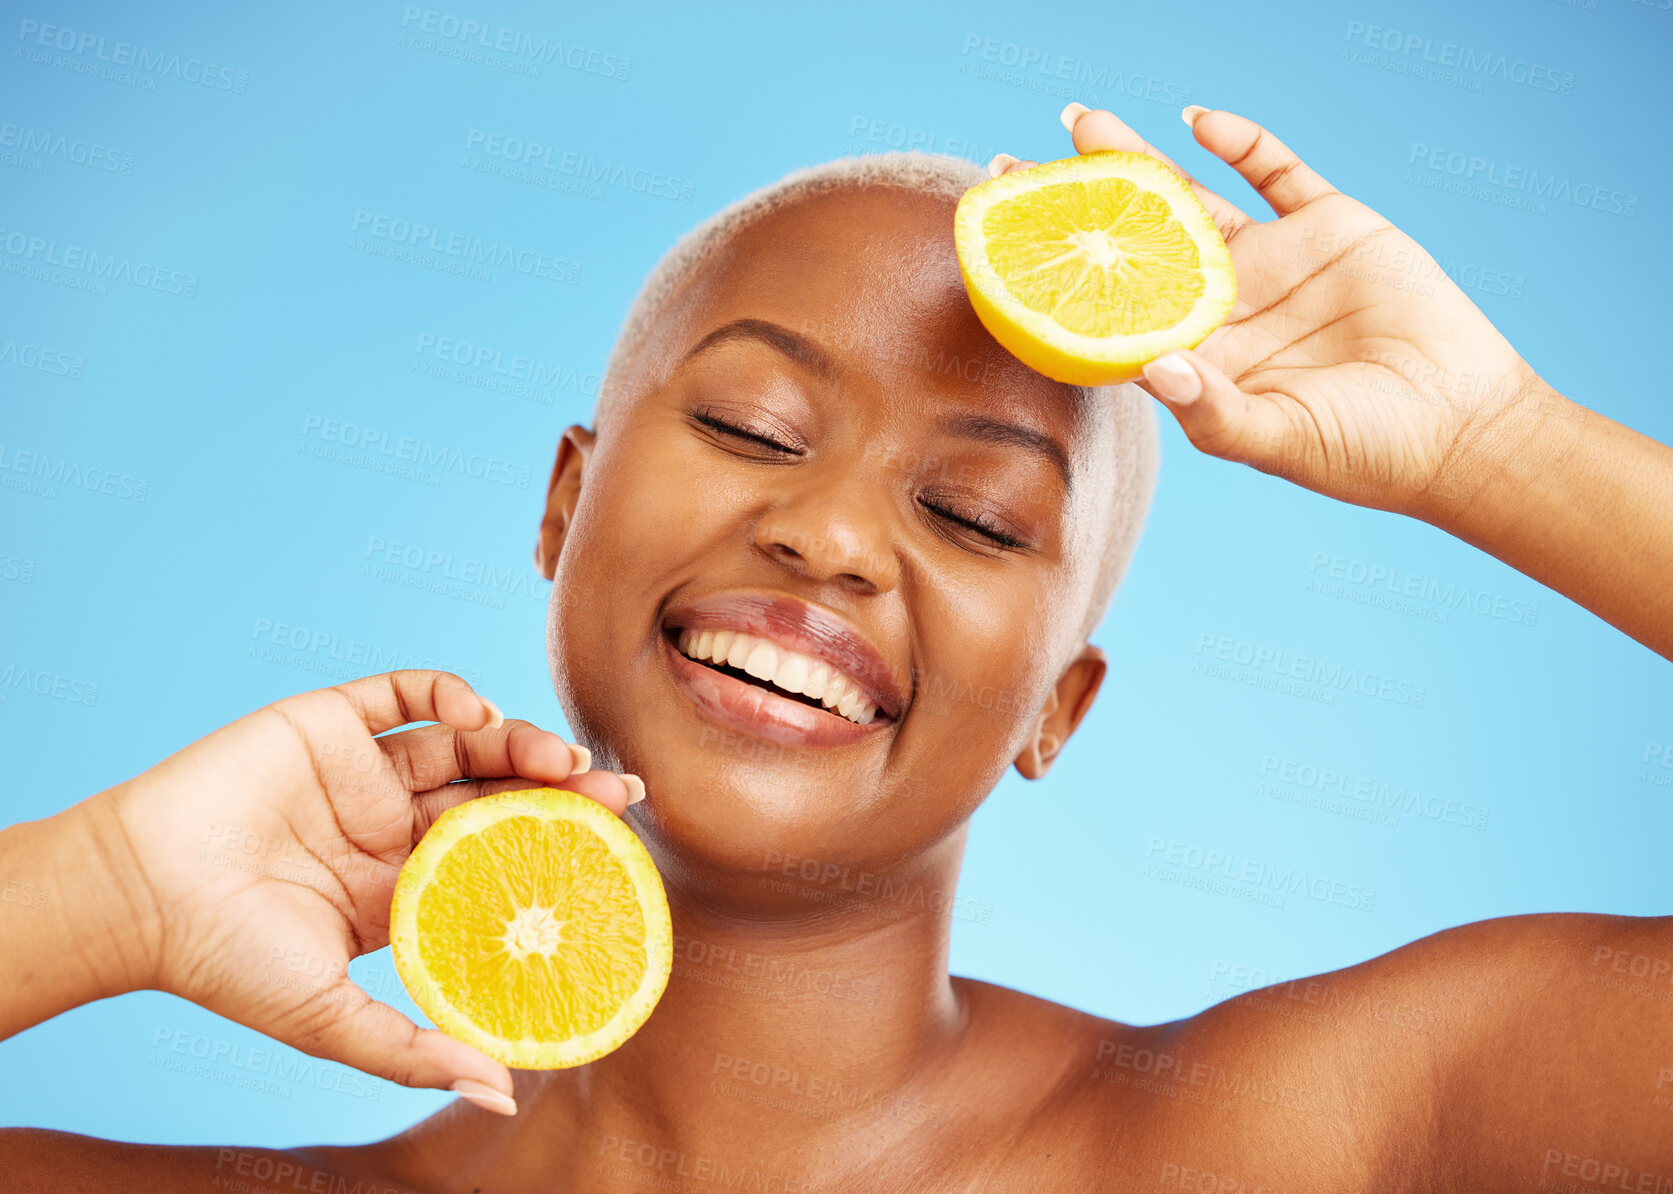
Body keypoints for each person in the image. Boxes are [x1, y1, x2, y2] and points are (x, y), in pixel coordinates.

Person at [3, 101, 1670, 1191]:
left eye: (977, 518)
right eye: (751, 422)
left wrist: (1497, 448)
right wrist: (102, 893)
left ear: (1057, 708)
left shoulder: (1293, 1142)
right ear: (562, 503)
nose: (837, 537)